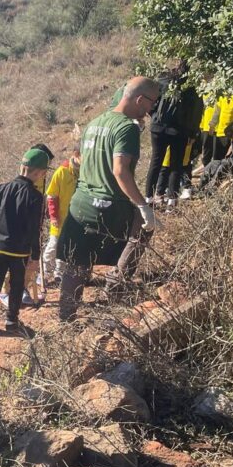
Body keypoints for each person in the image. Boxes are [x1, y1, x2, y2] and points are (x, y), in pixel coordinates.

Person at [57, 77, 161, 322]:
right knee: (142, 231)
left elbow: (81, 161)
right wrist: (143, 206)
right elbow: (120, 171)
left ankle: (66, 319)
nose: (151, 110)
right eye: (151, 103)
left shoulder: (94, 122)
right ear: (139, 99)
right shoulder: (126, 127)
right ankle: (115, 292)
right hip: (111, 206)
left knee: (75, 265)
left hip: (81, 203)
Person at [0, 149, 48, 335]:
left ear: (22, 167)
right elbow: (35, 229)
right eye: (43, 173)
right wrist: (35, 255)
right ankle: (11, 321)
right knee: (17, 286)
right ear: (39, 173)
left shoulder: (2, 188)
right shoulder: (35, 197)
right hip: (19, 251)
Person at [145, 65, 203, 206]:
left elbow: (151, 101)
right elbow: (196, 111)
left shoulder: (163, 79)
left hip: (158, 128)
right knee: (176, 165)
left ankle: (148, 199)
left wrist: (154, 117)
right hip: (179, 130)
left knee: (155, 162)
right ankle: (171, 201)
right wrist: (193, 132)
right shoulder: (192, 87)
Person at [42, 146, 80, 284]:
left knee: (67, 247)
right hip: (60, 217)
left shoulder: (85, 172)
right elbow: (51, 196)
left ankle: (59, 273)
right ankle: (44, 273)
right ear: (76, 154)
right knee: (53, 245)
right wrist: (53, 216)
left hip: (76, 219)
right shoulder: (62, 171)